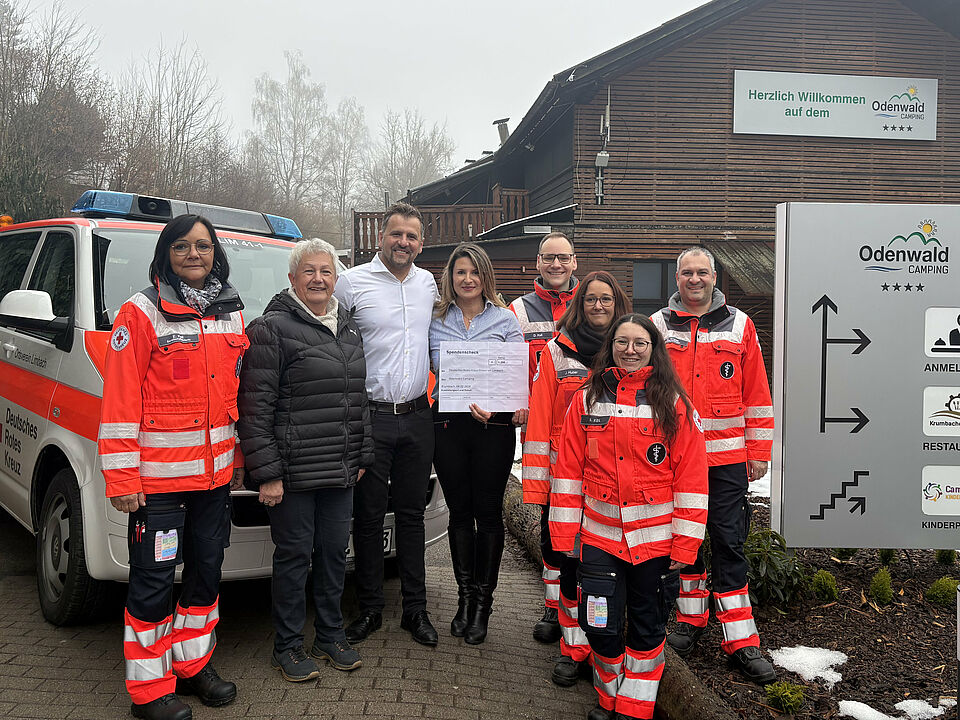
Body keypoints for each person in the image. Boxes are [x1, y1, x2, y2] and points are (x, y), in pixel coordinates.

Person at [98, 214, 246, 720]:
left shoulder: (231, 313)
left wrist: (238, 459)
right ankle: (149, 690)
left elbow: (233, 398)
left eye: (203, 246)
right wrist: (122, 478)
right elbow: (120, 402)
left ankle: (192, 665)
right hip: (158, 484)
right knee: (154, 582)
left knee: (206, 575)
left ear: (215, 253)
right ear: (166, 254)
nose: (193, 254)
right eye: (182, 246)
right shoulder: (140, 313)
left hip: (214, 480)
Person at [550, 314, 708, 720]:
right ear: (611, 346)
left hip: (655, 544)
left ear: (654, 349)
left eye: (640, 343)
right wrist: (563, 535)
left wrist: (685, 545)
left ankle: (633, 708)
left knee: (646, 627)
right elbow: (568, 472)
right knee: (599, 625)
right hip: (599, 539)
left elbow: (691, 479)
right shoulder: (586, 399)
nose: (630, 350)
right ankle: (608, 697)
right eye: (622, 342)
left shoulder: (675, 404)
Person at [237, 238, 374, 682]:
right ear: (292, 278)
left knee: (334, 554)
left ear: (336, 279)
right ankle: (288, 645)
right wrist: (267, 474)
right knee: (294, 557)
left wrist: (361, 454)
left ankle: (330, 636)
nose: (318, 279)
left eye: (326, 271)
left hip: (339, 468)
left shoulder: (348, 327)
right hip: (292, 473)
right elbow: (255, 408)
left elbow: (358, 398)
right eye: (309, 271)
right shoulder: (270, 329)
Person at [651, 247, 776, 684]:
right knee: (684, 540)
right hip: (675, 457)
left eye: (702, 272)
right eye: (687, 272)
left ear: (714, 276)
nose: (694, 279)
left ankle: (741, 639)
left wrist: (758, 452)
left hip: (727, 459)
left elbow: (756, 391)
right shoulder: (658, 325)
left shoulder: (740, 325)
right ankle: (691, 619)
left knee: (728, 541)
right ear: (677, 278)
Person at [334, 202, 440, 647]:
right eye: (396, 234)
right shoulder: (351, 283)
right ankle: (370, 609)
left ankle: (415, 609)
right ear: (381, 237)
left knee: (412, 515)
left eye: (411, 236)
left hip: (417, 416)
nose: (403, 242)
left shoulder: (428, 284)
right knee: (368, 516)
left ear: (421, 243)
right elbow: (330, 338)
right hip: (370, 417)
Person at [522, 271, 630, 685]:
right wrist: (539, 485)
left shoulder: (631, 349)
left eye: (606, 299)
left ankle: (599, 643)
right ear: (578, 305)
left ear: (617, 304)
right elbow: (540, 417)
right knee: (566, 563)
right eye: (590, 299)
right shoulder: (556, 350)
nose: (598, 306)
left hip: (614, 485)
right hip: (564, 482)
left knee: (601, 574)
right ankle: (572, 647)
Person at [429, 243, 525, 644]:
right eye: (460, 272)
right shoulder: (435, 320)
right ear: (450, 277)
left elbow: (518, 375)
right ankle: (464, 598)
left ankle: (484, 603)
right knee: (459, 512)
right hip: (448, 426)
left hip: (493, 428)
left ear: (486, 277)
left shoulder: (505, 320)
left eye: (474, 272)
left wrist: (504, 405)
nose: (467, 280)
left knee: (487, 514)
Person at [509, 230, 579, 644]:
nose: (556, 265)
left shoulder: (593, 303)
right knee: (554, 525)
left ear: (574, 262)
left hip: (594, 439)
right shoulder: (518, 310)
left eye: (563, 258)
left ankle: (587, 604)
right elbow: (510, 367)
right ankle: (554, 607)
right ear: (537, 262)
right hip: (543, 437)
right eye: (548, 258)